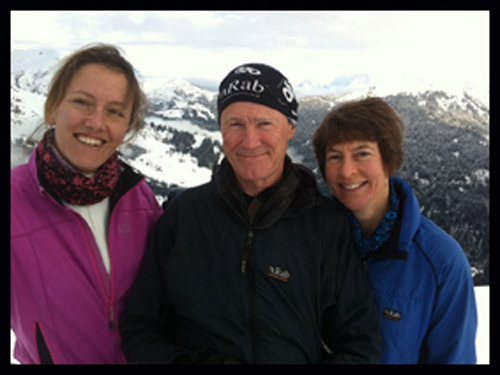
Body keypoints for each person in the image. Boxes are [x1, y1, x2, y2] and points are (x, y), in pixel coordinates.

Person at [119, 63, 380, 364]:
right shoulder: (183, 217)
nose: (250, 140)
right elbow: (140, 330)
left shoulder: (326, 225)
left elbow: (360, 345)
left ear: (291, 128)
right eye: (235, 124)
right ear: (221, 128)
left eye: (264, 124)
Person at [10, 44, 162, 364]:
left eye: (115, 112)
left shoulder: (141, 199)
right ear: (53, 109)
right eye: (82, 102)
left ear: (126, 129)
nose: (96, 123)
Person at [312, 97, 477, 364]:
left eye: (362, 154)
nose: (346, 171)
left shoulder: (440, 262)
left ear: (389, 160)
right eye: (334, 157)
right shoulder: (311, 242)